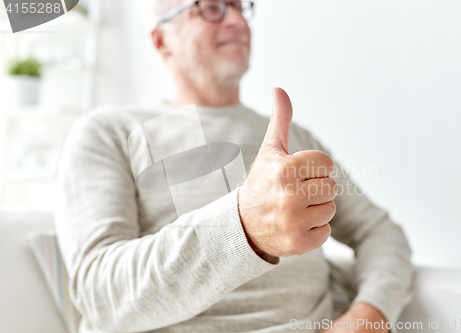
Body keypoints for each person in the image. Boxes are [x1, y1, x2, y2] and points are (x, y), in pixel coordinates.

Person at [54, 0, 415, 332]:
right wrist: (244, 227)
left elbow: (378, 232)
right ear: (161, 40)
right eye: (211, 7)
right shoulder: (108, 132)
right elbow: (101, 295)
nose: (239, 20)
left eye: (241, 6)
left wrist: (368, 316)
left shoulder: (294, 137)